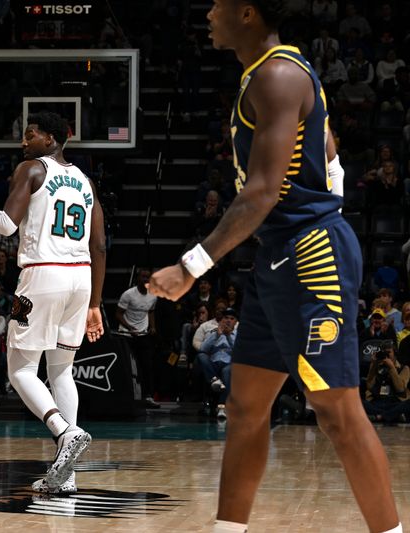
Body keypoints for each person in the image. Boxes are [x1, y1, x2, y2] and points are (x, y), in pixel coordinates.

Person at [147, 3, 401, 532]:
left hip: (309, 256)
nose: (209, 12)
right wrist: (318, 197)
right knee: (245, 408)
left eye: (218, 4)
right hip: (278, 254)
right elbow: (329, 152)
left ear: (248, 12)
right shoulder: (271, 73)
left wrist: (191, 265)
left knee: (336, 413)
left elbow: (262, 190)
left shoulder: (278, 74)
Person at [0, 110, 106, 494]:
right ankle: (67, 475)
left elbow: (7, 225)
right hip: (81, 278)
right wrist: (95, 303)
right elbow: (100, 246)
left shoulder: (31, 168)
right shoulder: (85, 181)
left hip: (43, 275)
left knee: (20, 370)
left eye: (30, 134)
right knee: (61, 372)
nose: (23, 141)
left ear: (52, 139)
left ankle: (65, 431)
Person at [115, 269, 160, 408]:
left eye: (148, 277)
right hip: (127, 335)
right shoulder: (128, 294)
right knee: (127, 367)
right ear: (137, 278)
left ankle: (148, 397)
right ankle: (124, 396)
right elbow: (118, 314)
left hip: (143, 335)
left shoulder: (153, 295)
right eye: (143, 276)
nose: (146, 279)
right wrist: (129, 328)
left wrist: (152, 326)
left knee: (147, 366)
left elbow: (151, 311)